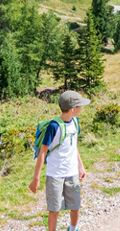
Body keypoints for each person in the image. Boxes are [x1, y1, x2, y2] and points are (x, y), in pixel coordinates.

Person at [30, 90, 91, 231]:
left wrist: (81, 166)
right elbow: (43, 152)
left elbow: (73, 146)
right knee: (54, 210)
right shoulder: (54, 126)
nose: (81, 109)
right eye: (79, 106)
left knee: (75, 206)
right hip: (55, 175)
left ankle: (73, 228)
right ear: (72, 109)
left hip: (72, 173)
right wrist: (36, 178)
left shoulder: (75, 122)